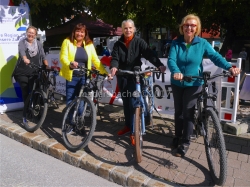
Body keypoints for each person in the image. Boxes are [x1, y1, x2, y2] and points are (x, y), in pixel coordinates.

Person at [167, 14, 240, 157]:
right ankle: (177, 136)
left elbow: (216, 57)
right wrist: (176, 71)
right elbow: (171, 60)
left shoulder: (202, 43)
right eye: (187, 25)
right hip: (177, 82)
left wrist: (229, 67)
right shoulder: (176, 43)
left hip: (194, 83)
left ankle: (185, 142)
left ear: (196, 28)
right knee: (178, 112)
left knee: (188, 113)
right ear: (182, 27)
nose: (189, 27)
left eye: (193, 25)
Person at [109, 19, 166, 146]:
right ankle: (128, 126)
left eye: (130, 28)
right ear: (122, 30)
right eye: (125, 28)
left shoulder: (139, 42)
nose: (128, 30)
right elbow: (115, 58)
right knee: (126, 102)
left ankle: (135, 131)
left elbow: (149, 54)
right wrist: (114, 67)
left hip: (134, 76)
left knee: (134, 103)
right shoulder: (118, 44)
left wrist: (159, 65)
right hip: (122, 76)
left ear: (134, 29)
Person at [60, 23, 108, 132]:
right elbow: (63, 57)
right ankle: (70, 123)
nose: (80, 34)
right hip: (72, 76)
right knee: (70, 101)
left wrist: (105, 72)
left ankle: (79, 124)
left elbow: (96, 60)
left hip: (84, 77)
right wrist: (70, 63)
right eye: (78, 31)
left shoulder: (89, 45)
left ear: (85, 33)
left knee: (81, 102)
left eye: (82, 32)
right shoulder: (67, 42)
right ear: (74, 32)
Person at [13, 26, 49, 124]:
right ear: (26, 33)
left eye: (33, 33)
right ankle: (26, 113)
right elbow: (22, 52)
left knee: (36, 92)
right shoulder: (22, 42)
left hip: (34, 71)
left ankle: (35, 111)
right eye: (29, 32)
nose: (31, 34)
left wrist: (46, 65)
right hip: (22, 71)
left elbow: (42, 55)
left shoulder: (38, 44)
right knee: (26, 92)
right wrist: (25, 58)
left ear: (35, 34)